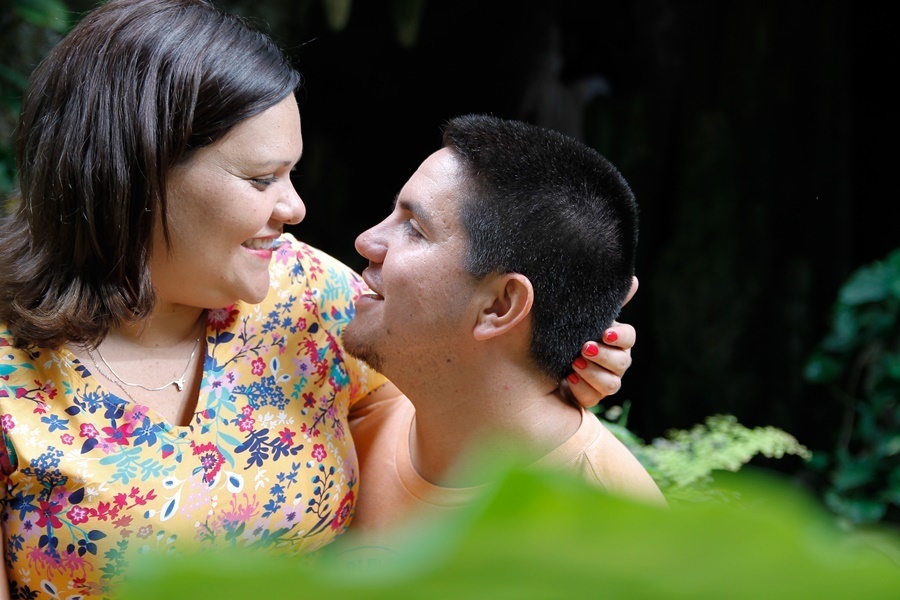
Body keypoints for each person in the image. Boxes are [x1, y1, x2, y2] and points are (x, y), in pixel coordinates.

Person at [0, 1, 637, 597]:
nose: (296, 208)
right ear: (133, 173)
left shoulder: (308, 294)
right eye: (260, 179)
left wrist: (548, 359)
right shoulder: (13, 372)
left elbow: (451, 384)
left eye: (291, 173)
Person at [344, 114, 665, 549]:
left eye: (415, 230)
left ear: (500, 306)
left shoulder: (617, 536)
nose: (366, 241)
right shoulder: (342, 399)